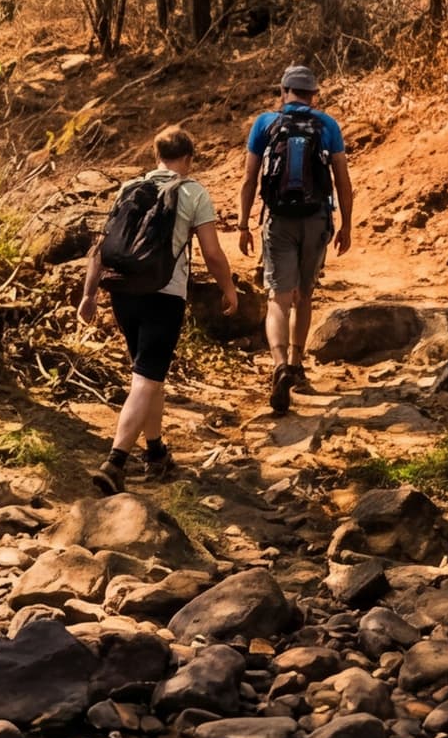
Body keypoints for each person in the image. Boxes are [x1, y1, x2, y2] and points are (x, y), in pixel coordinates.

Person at [77, 128, 239, 494]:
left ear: (156, 156)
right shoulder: (193, 192)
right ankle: (115, 461)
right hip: (164, 295)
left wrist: (89, 295)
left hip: (123, 292)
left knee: (149, 377)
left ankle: (155, 452)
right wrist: (228, 288)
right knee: (145, 380)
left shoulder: (129, 188)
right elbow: (212, 252)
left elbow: (102, 246)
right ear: (189, 157)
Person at [236, 65, 356, 415]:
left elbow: (248, 180)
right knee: (304, 295)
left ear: (284, 91)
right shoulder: (327, 125)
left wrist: (242, 224)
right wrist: (346, 225)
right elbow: (343, 182)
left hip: (278, 221)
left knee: (278, 297)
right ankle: (297, 364)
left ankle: (278, 365)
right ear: (314, 95)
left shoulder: (265, 124)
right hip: (316, 219)